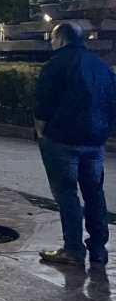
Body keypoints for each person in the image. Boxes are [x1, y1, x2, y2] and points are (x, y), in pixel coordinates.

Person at [34, 22, 116, 267]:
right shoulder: (101, 66)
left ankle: (73, 249)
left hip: (62, 140)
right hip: (94, 141)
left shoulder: (55, 65)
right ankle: (99, 249)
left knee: (67, 194)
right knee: (94, 192)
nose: (51, 44)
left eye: (52, 39)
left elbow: (43, 103)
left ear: (60, 39)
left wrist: (41, 131)